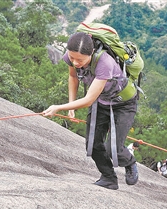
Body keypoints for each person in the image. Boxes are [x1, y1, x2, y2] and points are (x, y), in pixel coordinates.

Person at [42, 32, 139, 190]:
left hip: (123, 104)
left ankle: (129, 162)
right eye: (72, 58)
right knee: (93, 144)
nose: (75, 62)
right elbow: (73, 78)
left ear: (91, 53)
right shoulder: (71, 57)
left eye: (80, 60)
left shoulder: (104, 63)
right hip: (101, 101)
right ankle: (108, 177)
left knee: (113, 148)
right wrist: (71, 104)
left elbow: (88, 99)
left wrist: (59, 107)